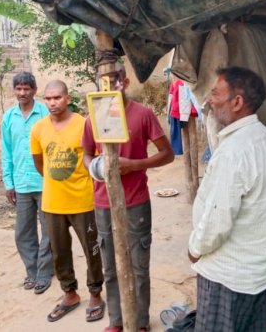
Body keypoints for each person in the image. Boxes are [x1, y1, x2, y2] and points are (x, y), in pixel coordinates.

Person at [187, 66, 266, 332]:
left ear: (238, 102)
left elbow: (218, 220)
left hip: (226, 277)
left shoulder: (234, 150)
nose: (209, 99)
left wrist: (195, 248)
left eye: (216, 93)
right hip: (258, 275)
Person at [82, 64, 174, 332]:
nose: (109, 86)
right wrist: (96, 168)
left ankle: (141, 322)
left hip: (136, 202)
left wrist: (134, 165)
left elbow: (167, 154)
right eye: (103, 81)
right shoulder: (93, 116)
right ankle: (116, 321)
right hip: (103, 201)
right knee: (109, 267)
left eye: (115, 80)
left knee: (138, 267)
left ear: (126, 80)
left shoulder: (143, 115)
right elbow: (86, 153)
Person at [30, 80, 105, 323]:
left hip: (83, 201)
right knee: (59, 252)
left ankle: (96, 294)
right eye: (48, 99)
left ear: (68, 97)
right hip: (53, 203)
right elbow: (40, 164)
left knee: (92, 249)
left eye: (57, 98)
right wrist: (57, 183)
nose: (52, 103)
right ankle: (70, 293)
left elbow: (95, 160)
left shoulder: (85, 125)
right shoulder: (38, 129)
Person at [1, 72, 53, 294]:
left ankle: (44, 273)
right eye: (18, 89)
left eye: (26, 89)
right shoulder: (9, 117)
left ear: (34, 90)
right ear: (14, 91)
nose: (22, 93)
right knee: (23, 232)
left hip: (45, 182)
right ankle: (32, 270)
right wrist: (8, 182)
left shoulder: (45, 114)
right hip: (21, 184)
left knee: (49, 229)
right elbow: (7, 152)